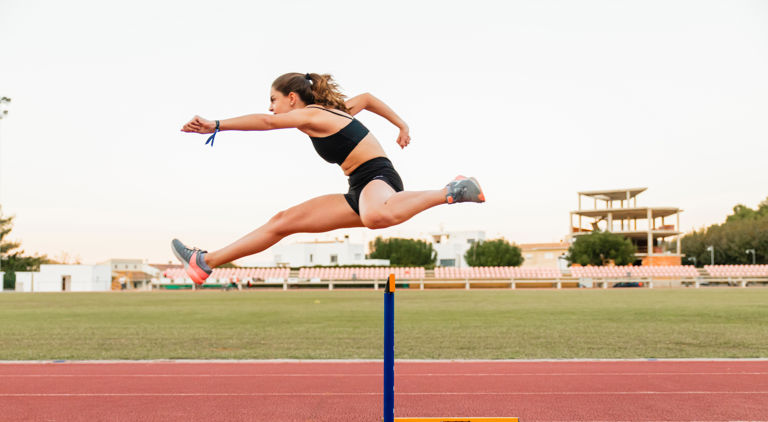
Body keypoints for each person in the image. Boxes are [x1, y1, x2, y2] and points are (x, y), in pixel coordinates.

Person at [173, 72, 484, 284]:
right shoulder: (337, 111)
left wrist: (216, 124)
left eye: (274, 99)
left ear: (292, 98)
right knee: (282, 221)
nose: (271, 107)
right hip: (357, 190)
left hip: (378, 178)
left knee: (376, 216)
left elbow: (267, 122)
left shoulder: (313, 115)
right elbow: (368, 98)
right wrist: (401, 125)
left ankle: (452, 189)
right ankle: (205, 262)